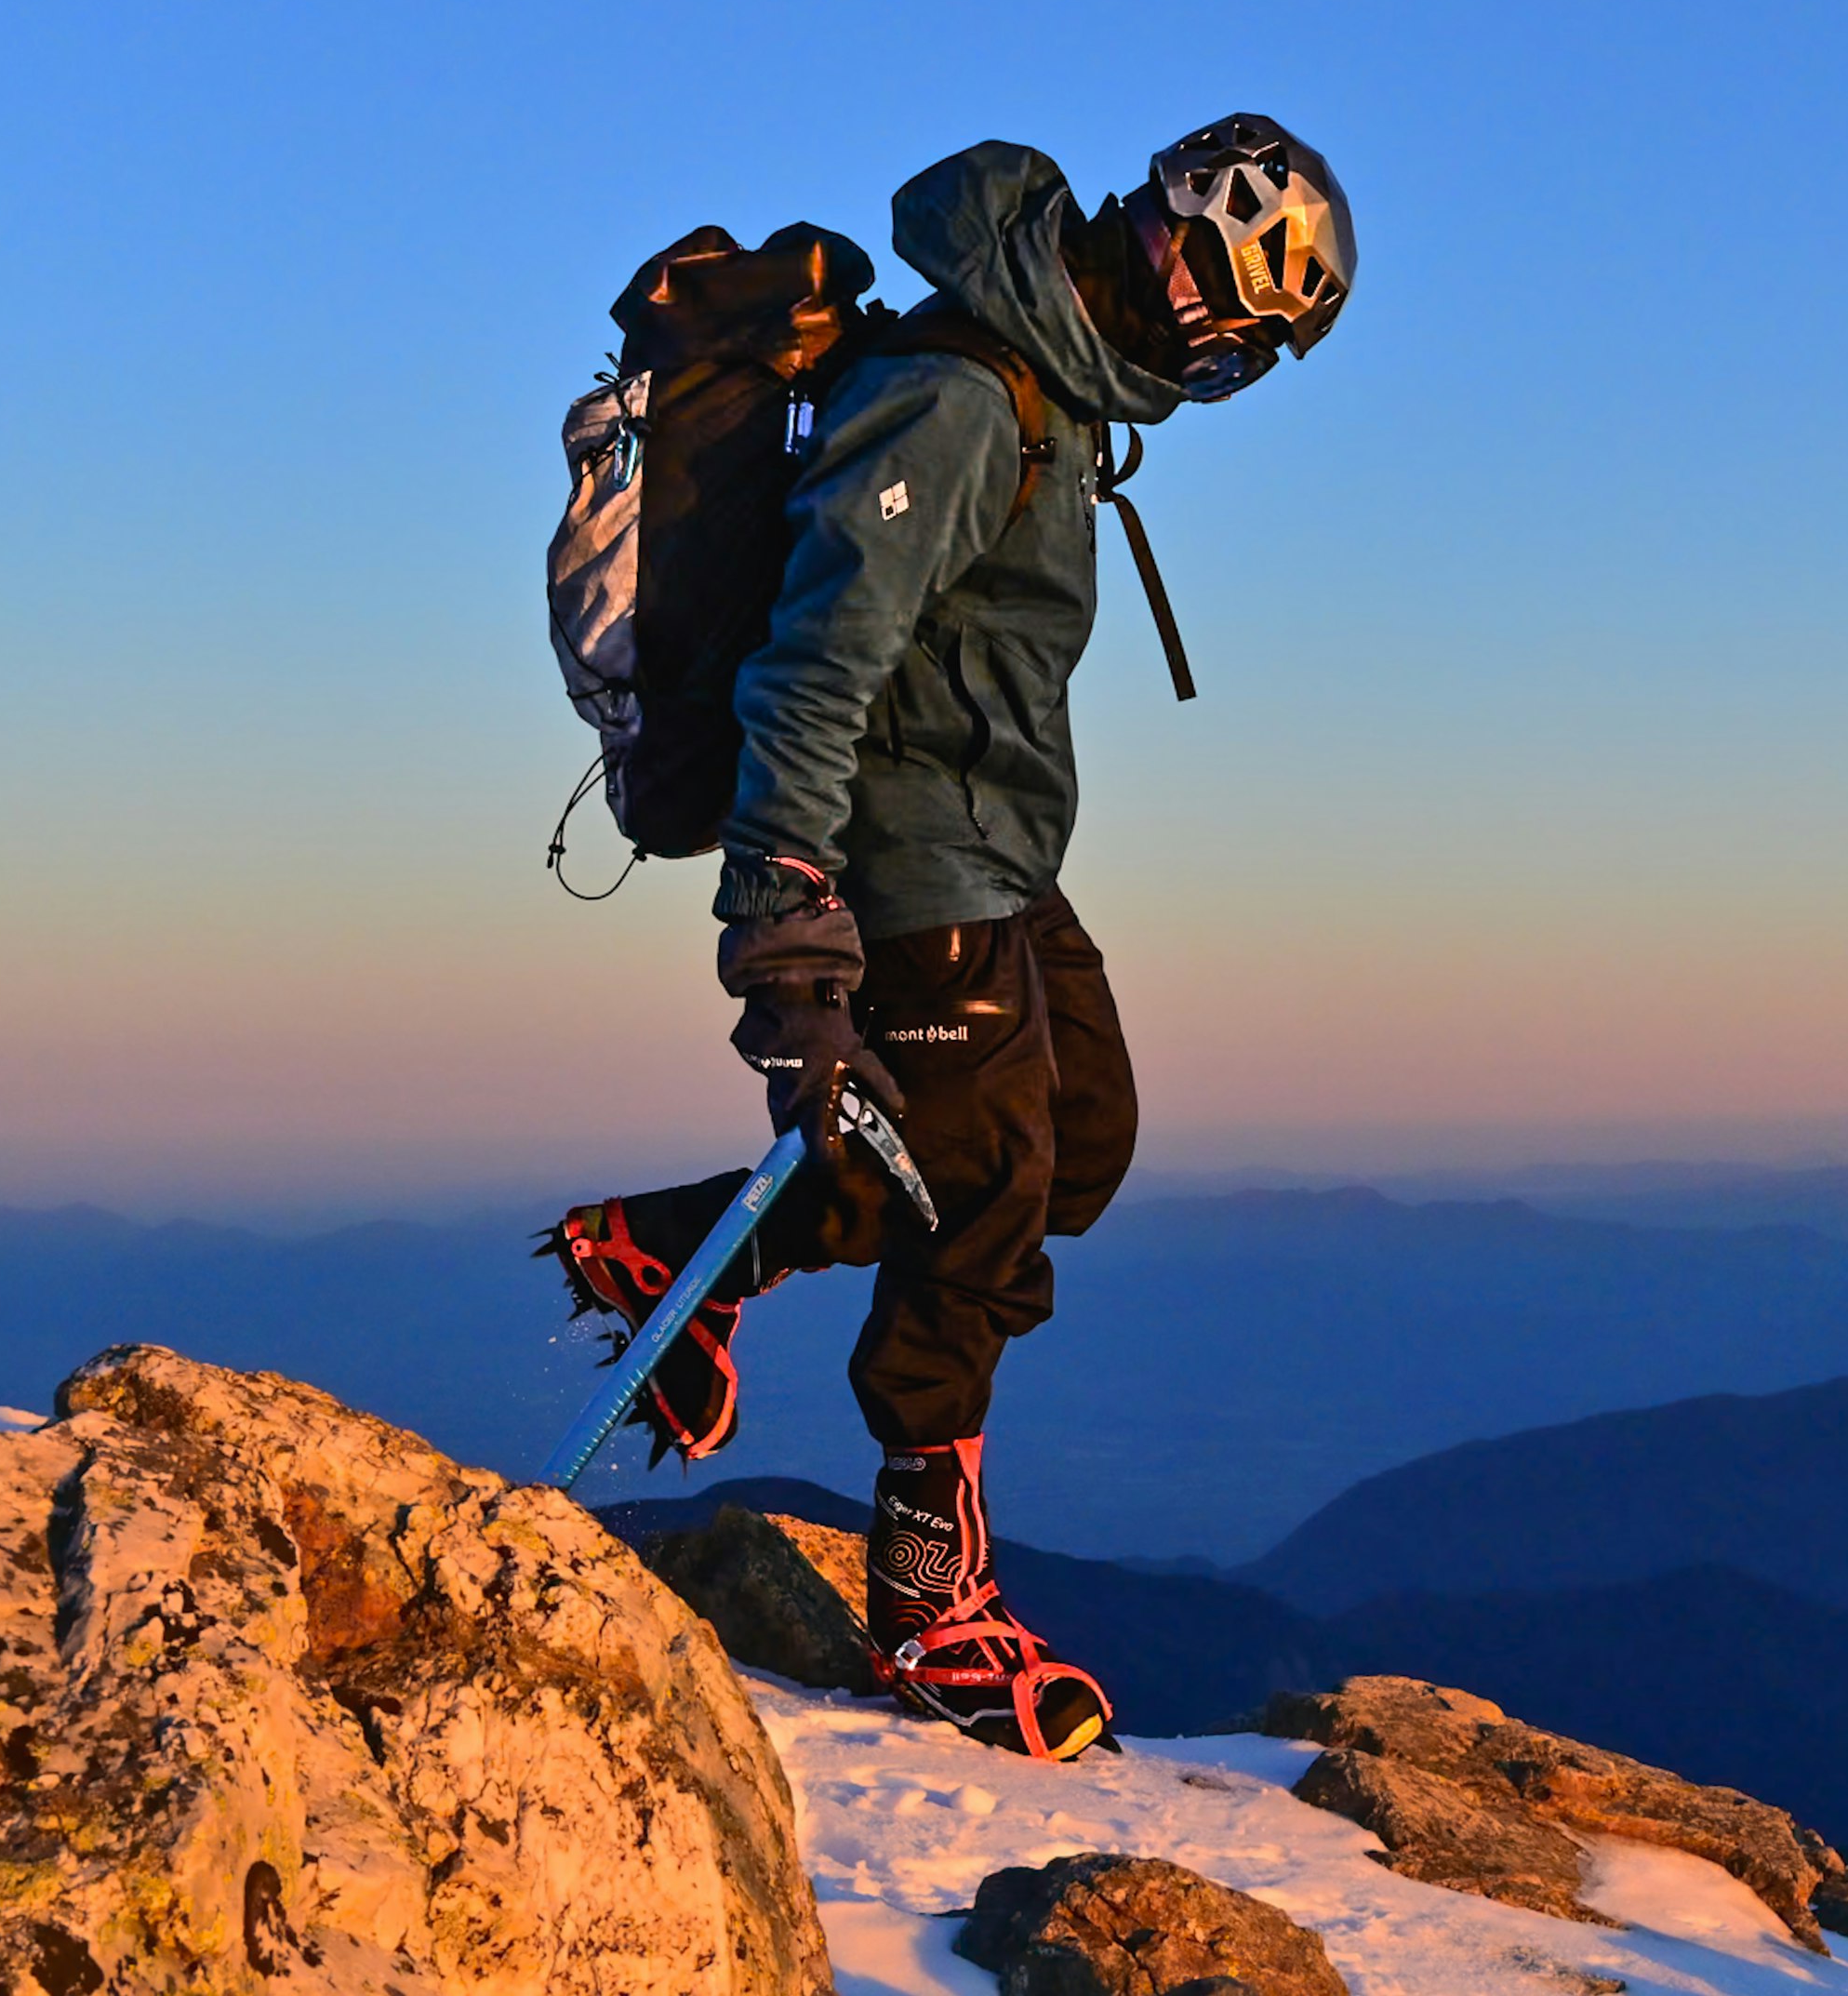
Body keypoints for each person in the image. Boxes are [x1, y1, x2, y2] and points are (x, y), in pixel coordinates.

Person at [547, 121, 1354, 1760]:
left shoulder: (1044, 399)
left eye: (1250, 332)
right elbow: (815, 659)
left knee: (1074, 1146)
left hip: (995, 855)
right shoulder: (967, 397)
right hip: (897, 862)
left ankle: (664, 1253)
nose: (1212, 330)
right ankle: (931, 1604)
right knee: (978, 1202)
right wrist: (786, 924)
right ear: (1158, 220)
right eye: (1213, 280)